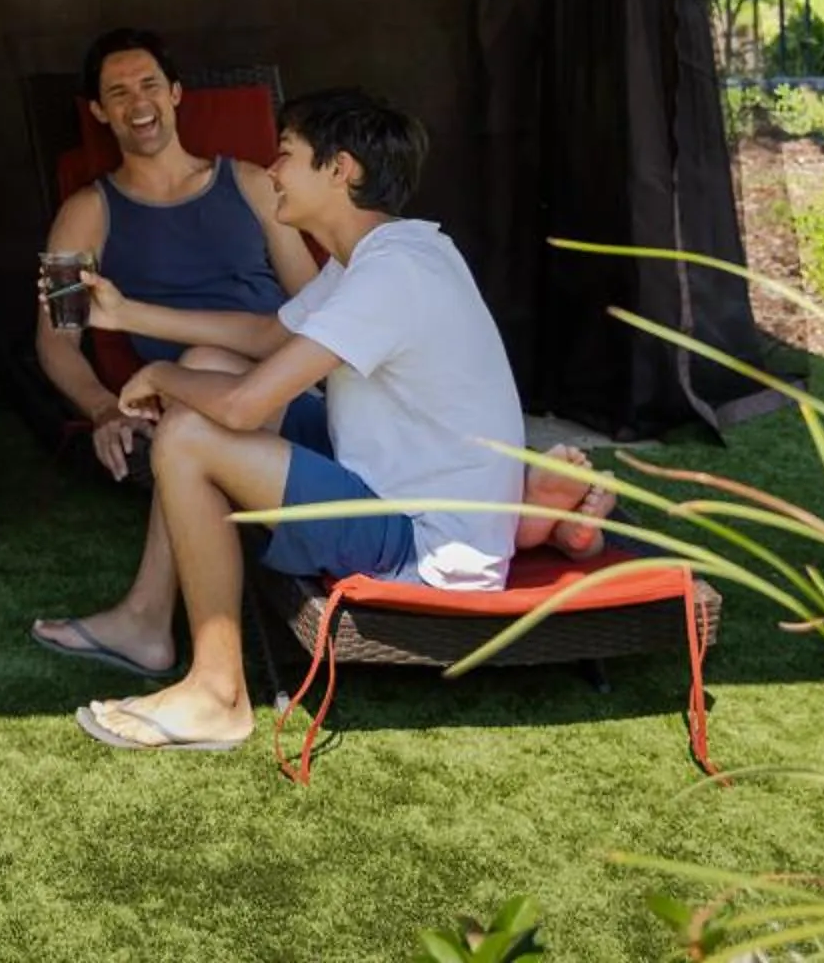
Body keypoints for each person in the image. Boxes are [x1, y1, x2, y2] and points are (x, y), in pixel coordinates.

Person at [62, 89, 602, 753]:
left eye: (286, 155)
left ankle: (218, 694)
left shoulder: (393, 274)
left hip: (422, 542)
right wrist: (126, 316)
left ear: (340, 169)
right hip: (387, 477)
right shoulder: (377, 256)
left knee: (190, 433)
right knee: (209, 362)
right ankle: (148, 621)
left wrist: (157, 375)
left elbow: (242, 408)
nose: (273, 172)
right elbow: (264, 334)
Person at [26, 29, 318, 676]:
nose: (138, 102)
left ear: (176, 93)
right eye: (118, 92)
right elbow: (56, 341)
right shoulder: (85, 214)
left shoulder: (250, 186)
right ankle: (149, 628)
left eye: (150, 84)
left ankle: (145, 621)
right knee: (197, 376)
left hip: (285, 401)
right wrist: (104, 408)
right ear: (100, 112)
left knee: (200, 367)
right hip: (187, 405)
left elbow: (320, 311)